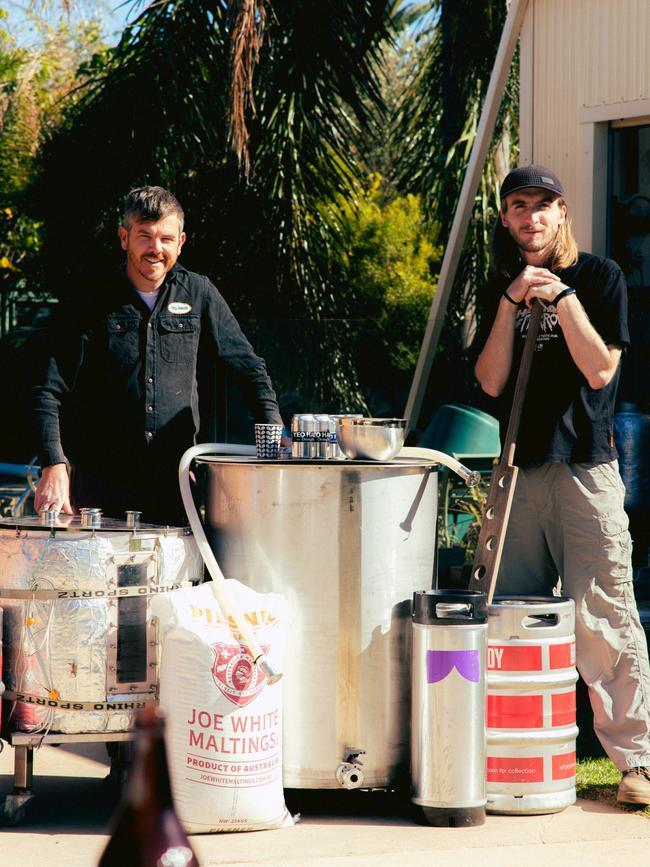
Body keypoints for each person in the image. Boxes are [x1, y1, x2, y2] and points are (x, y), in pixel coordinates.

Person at [475, 164, 650, 805]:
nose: (531, 217)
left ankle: (638, 762)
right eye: (519, 206)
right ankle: (505, 752)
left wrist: (561, 298)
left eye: (543, 205)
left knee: (603, 616)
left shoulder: (600, 278)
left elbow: (602, 370)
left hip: (585, 467)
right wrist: (511, 302)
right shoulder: (499, 284)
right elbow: (491, 381)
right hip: (519, 469)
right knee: (508, 614)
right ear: (505, 218)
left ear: (563, 212)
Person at [32, 185, 285, 525]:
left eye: (166, 238)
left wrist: (276, 433)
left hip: (174, 484)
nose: (155, 249)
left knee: (181, 579)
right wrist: (54, 464)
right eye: (145, 236)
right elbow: (47, 388)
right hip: (99, 488)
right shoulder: (89, 298)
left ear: (181, 242)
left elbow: (247, 367)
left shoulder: (199, 293)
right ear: (124, 238)